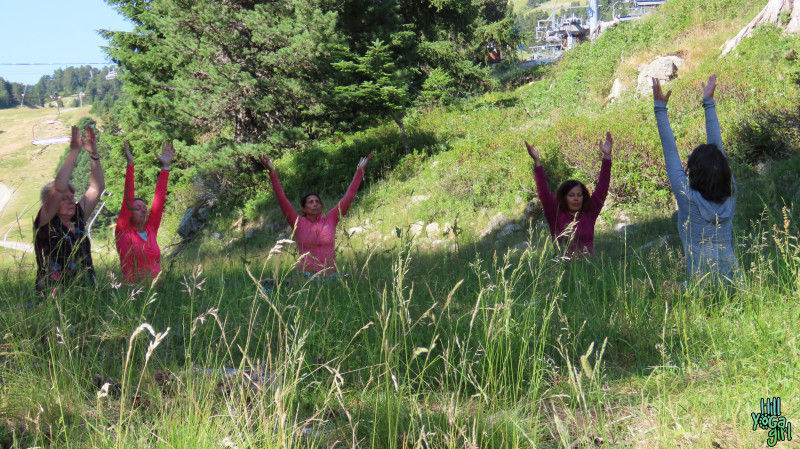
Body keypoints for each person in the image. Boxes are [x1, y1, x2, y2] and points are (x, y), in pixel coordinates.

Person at [652, 74, 739, 283]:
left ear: (693, 172)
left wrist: (660, 109)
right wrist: (708, 102)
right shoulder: (732, 191)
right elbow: (718, 151)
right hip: (736, 285)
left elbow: (670, 151)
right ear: (725, 171)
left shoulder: (687, 198)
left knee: (638, 286)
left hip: (701, 287)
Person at [260, 152, 374, 276]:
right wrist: (272, 172)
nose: (315, 204)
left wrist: (360, 171)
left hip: (330, 275)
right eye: (310, 202)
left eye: (317, 201)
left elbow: (349, 197)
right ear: (303, 208)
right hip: (306, 277)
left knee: (359, 277)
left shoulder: (331, 219)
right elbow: (282, 199)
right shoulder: (297, 222)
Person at [34, 125, 105, 294]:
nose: (72, 201)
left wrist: (93, 154)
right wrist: (74, 151)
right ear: (50, 202)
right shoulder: (45, 222)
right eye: (65, 199)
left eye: (72, 197)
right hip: (55, 295)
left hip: (87, 292)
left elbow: (97, 188)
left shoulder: (77, 217)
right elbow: (58, 189)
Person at [524, 133, 613, 255]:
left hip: (589, 270)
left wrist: (607, 157)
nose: (576, 199)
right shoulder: (554, 214)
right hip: (564, 270)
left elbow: (602, 187)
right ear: (563, 198)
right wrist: (537, 162)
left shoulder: (589, 212)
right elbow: (543, 192)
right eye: (571, 195)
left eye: (579, 195)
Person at [115, 141, 175, 284]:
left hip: (157, 291)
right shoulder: (124, 231)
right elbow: (128, 197)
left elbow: (159, 202)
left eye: (144, 207)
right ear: (129, 212)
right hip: (134, 291)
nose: (143, 210)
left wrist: (165, 167)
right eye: (137, 208)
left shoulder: (150, 229)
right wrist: (130, 164)